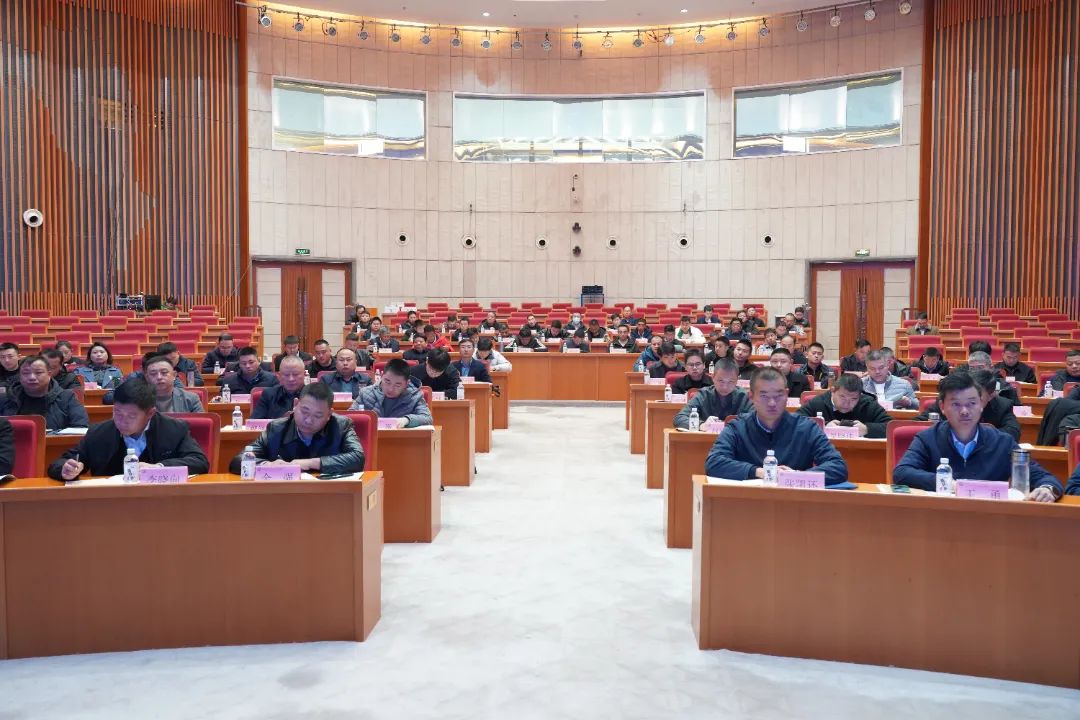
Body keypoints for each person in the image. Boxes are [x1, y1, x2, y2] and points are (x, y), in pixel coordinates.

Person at [893, 373, 1062, 501]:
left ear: (981, 404)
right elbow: (902, 472)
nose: (964, 411)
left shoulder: (1002, 442)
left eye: (972, 403)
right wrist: (947, 482)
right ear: (942, 407)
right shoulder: (928, 438)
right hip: (942, 517)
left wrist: (1047, 489)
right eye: (956, 404)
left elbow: (1045, 478)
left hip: (991, 520)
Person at [704, 367, 848, 485]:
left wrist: (796, 476)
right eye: (764, 396)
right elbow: (714, 463)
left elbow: (838, 467)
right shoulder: (737, 427)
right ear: (751, 397)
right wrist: (760, 472)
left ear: (786, 394)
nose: (772, 403)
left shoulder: (807, 428)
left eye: (778, 395)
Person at [48, 378, 208, 481]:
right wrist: (65, 469)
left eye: (131, 416)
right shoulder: (98, 433)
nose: (121, 421)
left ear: (150, 413)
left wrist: (158, 467)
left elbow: (199, 462)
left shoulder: (173, 429)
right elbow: (59, 463)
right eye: (117, 412)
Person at [228, 382, 364, 476]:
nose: (309, 420)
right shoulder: (276, 428)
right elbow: (237, 461)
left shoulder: (341, 425)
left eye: (318, 415)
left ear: (329, 414)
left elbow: (358, 458)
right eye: (304, 411)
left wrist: (311, 463)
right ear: (296, 404)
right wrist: (266, 465)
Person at [914, 370, 1020, 440]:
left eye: (974, 400)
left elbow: (1013, 433)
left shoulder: (1003, 406)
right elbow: (917, 424)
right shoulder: (948, 402)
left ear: (991, 395)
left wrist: (976, 434)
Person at [0, 356, 89, 431]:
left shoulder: (67, 397)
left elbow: (81, 428)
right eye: (26, 373)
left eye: (38, 373)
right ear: (19, 376)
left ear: (49, 374)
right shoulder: (6, 398)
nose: (32, 377)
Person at [798, 372, 893, 438]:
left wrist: (867, 429)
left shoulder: (867, 404)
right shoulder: (818, 402)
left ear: (860, 395)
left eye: (853, 399)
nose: (847, 404)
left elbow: (892, 427)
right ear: (832, 391)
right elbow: (796, 422)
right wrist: (823, 426)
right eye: (842, 397)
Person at [350, 358, 432, 428]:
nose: (390, 389)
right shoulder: (365, 393)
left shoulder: (415, 396)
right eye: (387, 381)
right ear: (382, 376)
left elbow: (427, 418)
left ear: (407, 383)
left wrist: (407, 420)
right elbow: (349, 417)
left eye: (397, 385)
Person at [672, 359, 751, 429]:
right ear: (713, 377)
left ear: (737, 380)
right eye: (721, 381)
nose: (725, 387)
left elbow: (756, 421)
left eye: (731, 382)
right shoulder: (703, 395)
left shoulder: (745, 397)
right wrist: (701, 425)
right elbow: (679, 418)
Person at [251, 355, 306, 420]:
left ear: (304, 374)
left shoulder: (314, 395)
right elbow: (254, 422)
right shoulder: (268, 394)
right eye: (286, 375)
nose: (291, 379)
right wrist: (281, 421)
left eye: (295, 374)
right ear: (279, 376)